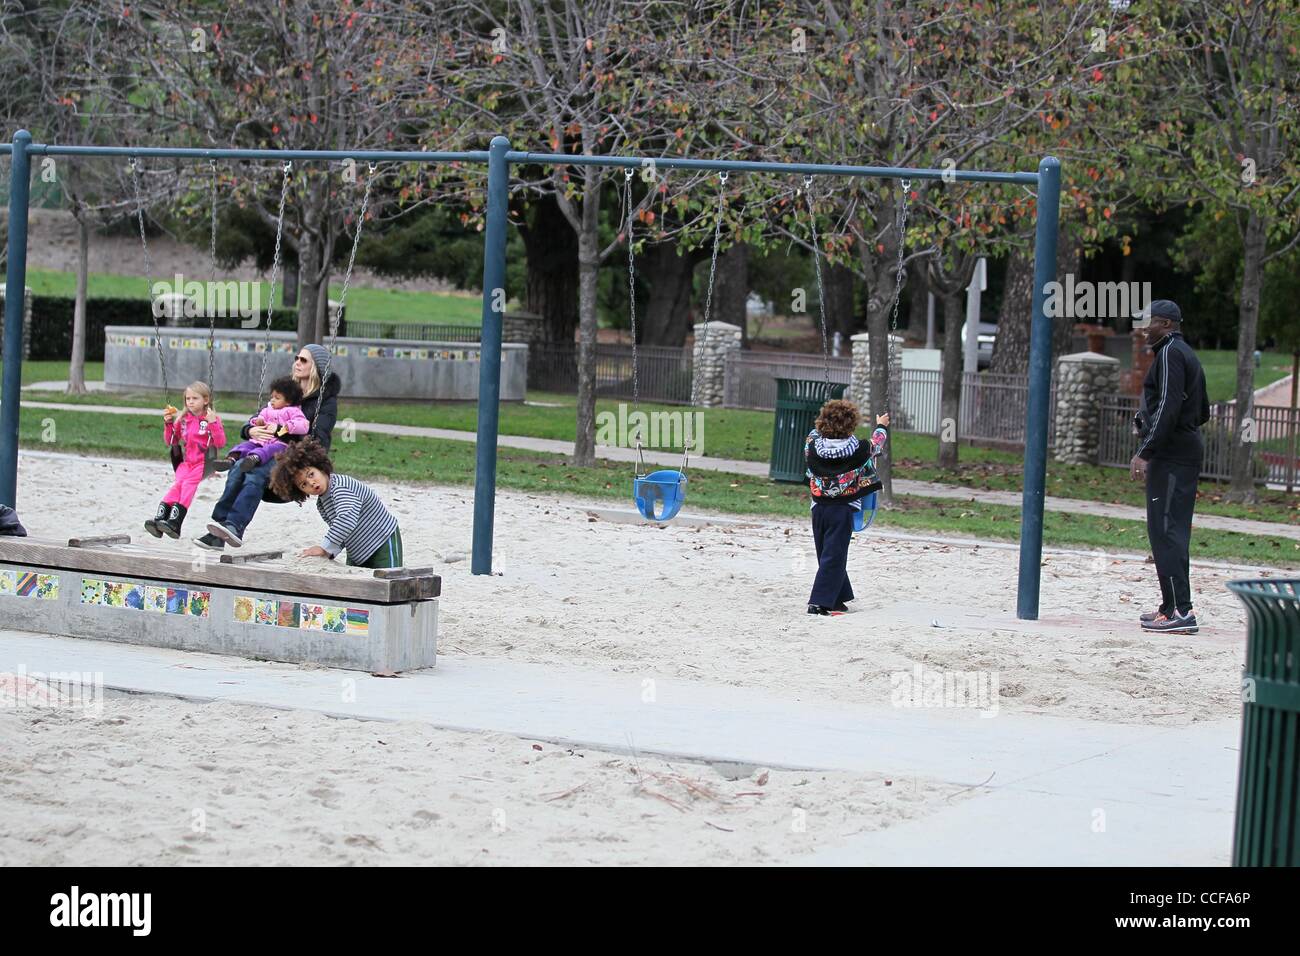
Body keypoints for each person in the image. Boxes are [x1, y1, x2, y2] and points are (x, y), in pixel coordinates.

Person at [197, 344, 341, 550]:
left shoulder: (324, 402)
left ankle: (235, 527)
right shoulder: (287, 389)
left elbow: (318, 440)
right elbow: (261, 417)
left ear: (317, 367)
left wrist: (279, 431)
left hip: (295, 459)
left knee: (255, 475)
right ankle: (219, 529)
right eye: (296, 358)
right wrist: (250, 430)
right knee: (238, 469)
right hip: (265, 447)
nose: (297, 363)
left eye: (303, 360)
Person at [1129, 299, 1210, 634]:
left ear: (1164, 323)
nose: (1142, 329)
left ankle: (1181, 611)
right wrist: (1143, 420)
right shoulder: (1180, 352)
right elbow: (1202, 410)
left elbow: (1169, 407)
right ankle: (1168, 607)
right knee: (1164, 531)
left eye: (1148, 322)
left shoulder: (1171, 354)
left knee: (1168, 531)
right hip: (1179, 451)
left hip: (1173, 456)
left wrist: (1145, 451)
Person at [805, 399, 889, 616]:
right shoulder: (860, 449)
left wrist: (824, 420)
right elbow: (877, 444)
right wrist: (881, 425)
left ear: (823, 422)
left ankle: (838, 598)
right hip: (841, 510)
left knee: (826, 552)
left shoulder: (812, 446)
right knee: (834, 555)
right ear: (852, 425)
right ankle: (820, 602)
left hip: (818, 508)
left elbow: (814, 433)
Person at [270, 439, 404, 569]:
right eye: (304, 484)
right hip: (358, 549)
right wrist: (328, 553)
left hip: (382, 540)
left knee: (389, 581)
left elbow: (346, 520)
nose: (311, 483)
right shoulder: (322, 504)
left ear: (321, 468)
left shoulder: (341, 487)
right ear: (300, 491)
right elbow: (339, 531)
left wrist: (323, 548)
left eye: (311, 474)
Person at [145, 381, 225, 539]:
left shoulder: (212, 419)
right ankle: (160, 520)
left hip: (204, 463)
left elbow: (220, 442)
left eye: (195, 398)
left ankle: (175, 523)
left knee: (188, 485)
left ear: (206, 400)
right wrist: (168, 423)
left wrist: (212, 423)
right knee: (177, 486)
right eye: (188, 399)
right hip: (187, 462)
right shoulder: (183, 419)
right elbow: (171, 441)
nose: (190, 402)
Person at [214, 375, 308, 474]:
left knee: (269, 450)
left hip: (279, 443)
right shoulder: (268, 409)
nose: (272, 400)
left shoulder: (293, 411)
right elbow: (260, 417)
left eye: (277, 398)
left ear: (288, 401)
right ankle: (230, 460)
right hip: (260, 440)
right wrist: (258, 421)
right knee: (244, 446)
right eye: (272, 397)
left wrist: (285, 427)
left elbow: (303, 425)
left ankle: (252, 459)